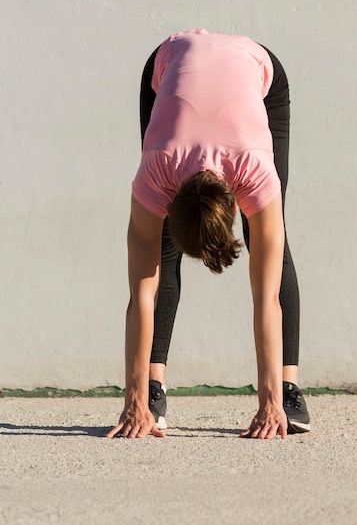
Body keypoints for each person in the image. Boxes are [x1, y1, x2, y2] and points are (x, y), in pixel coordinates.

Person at [107, 28, 310, 440]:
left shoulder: (255, 174)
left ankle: (285, 385)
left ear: (237, 204)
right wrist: (132, 401)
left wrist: (268, 401)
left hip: (257, 70)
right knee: (161, 247)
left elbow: (266, 298)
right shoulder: (156, 171)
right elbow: (140, 293)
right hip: (171, 61)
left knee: (269, 241)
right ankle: (151, 384)